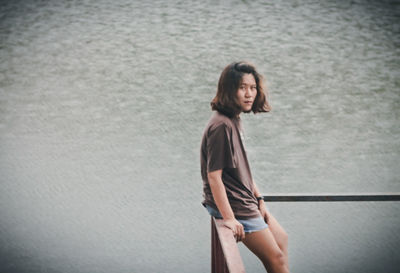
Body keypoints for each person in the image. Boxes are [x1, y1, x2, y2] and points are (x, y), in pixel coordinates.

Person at [200, 61, 290, 273]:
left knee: (282, 240)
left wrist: (259, 198)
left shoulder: (233, 118)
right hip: (235, 204)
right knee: (276, 258)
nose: (249, 94)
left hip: (246, 199)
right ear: (229, 90)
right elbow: (214, 177)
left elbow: (242, 170)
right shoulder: (221, 125)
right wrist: (230, 218)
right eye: (242, 88)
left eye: (253, 87)